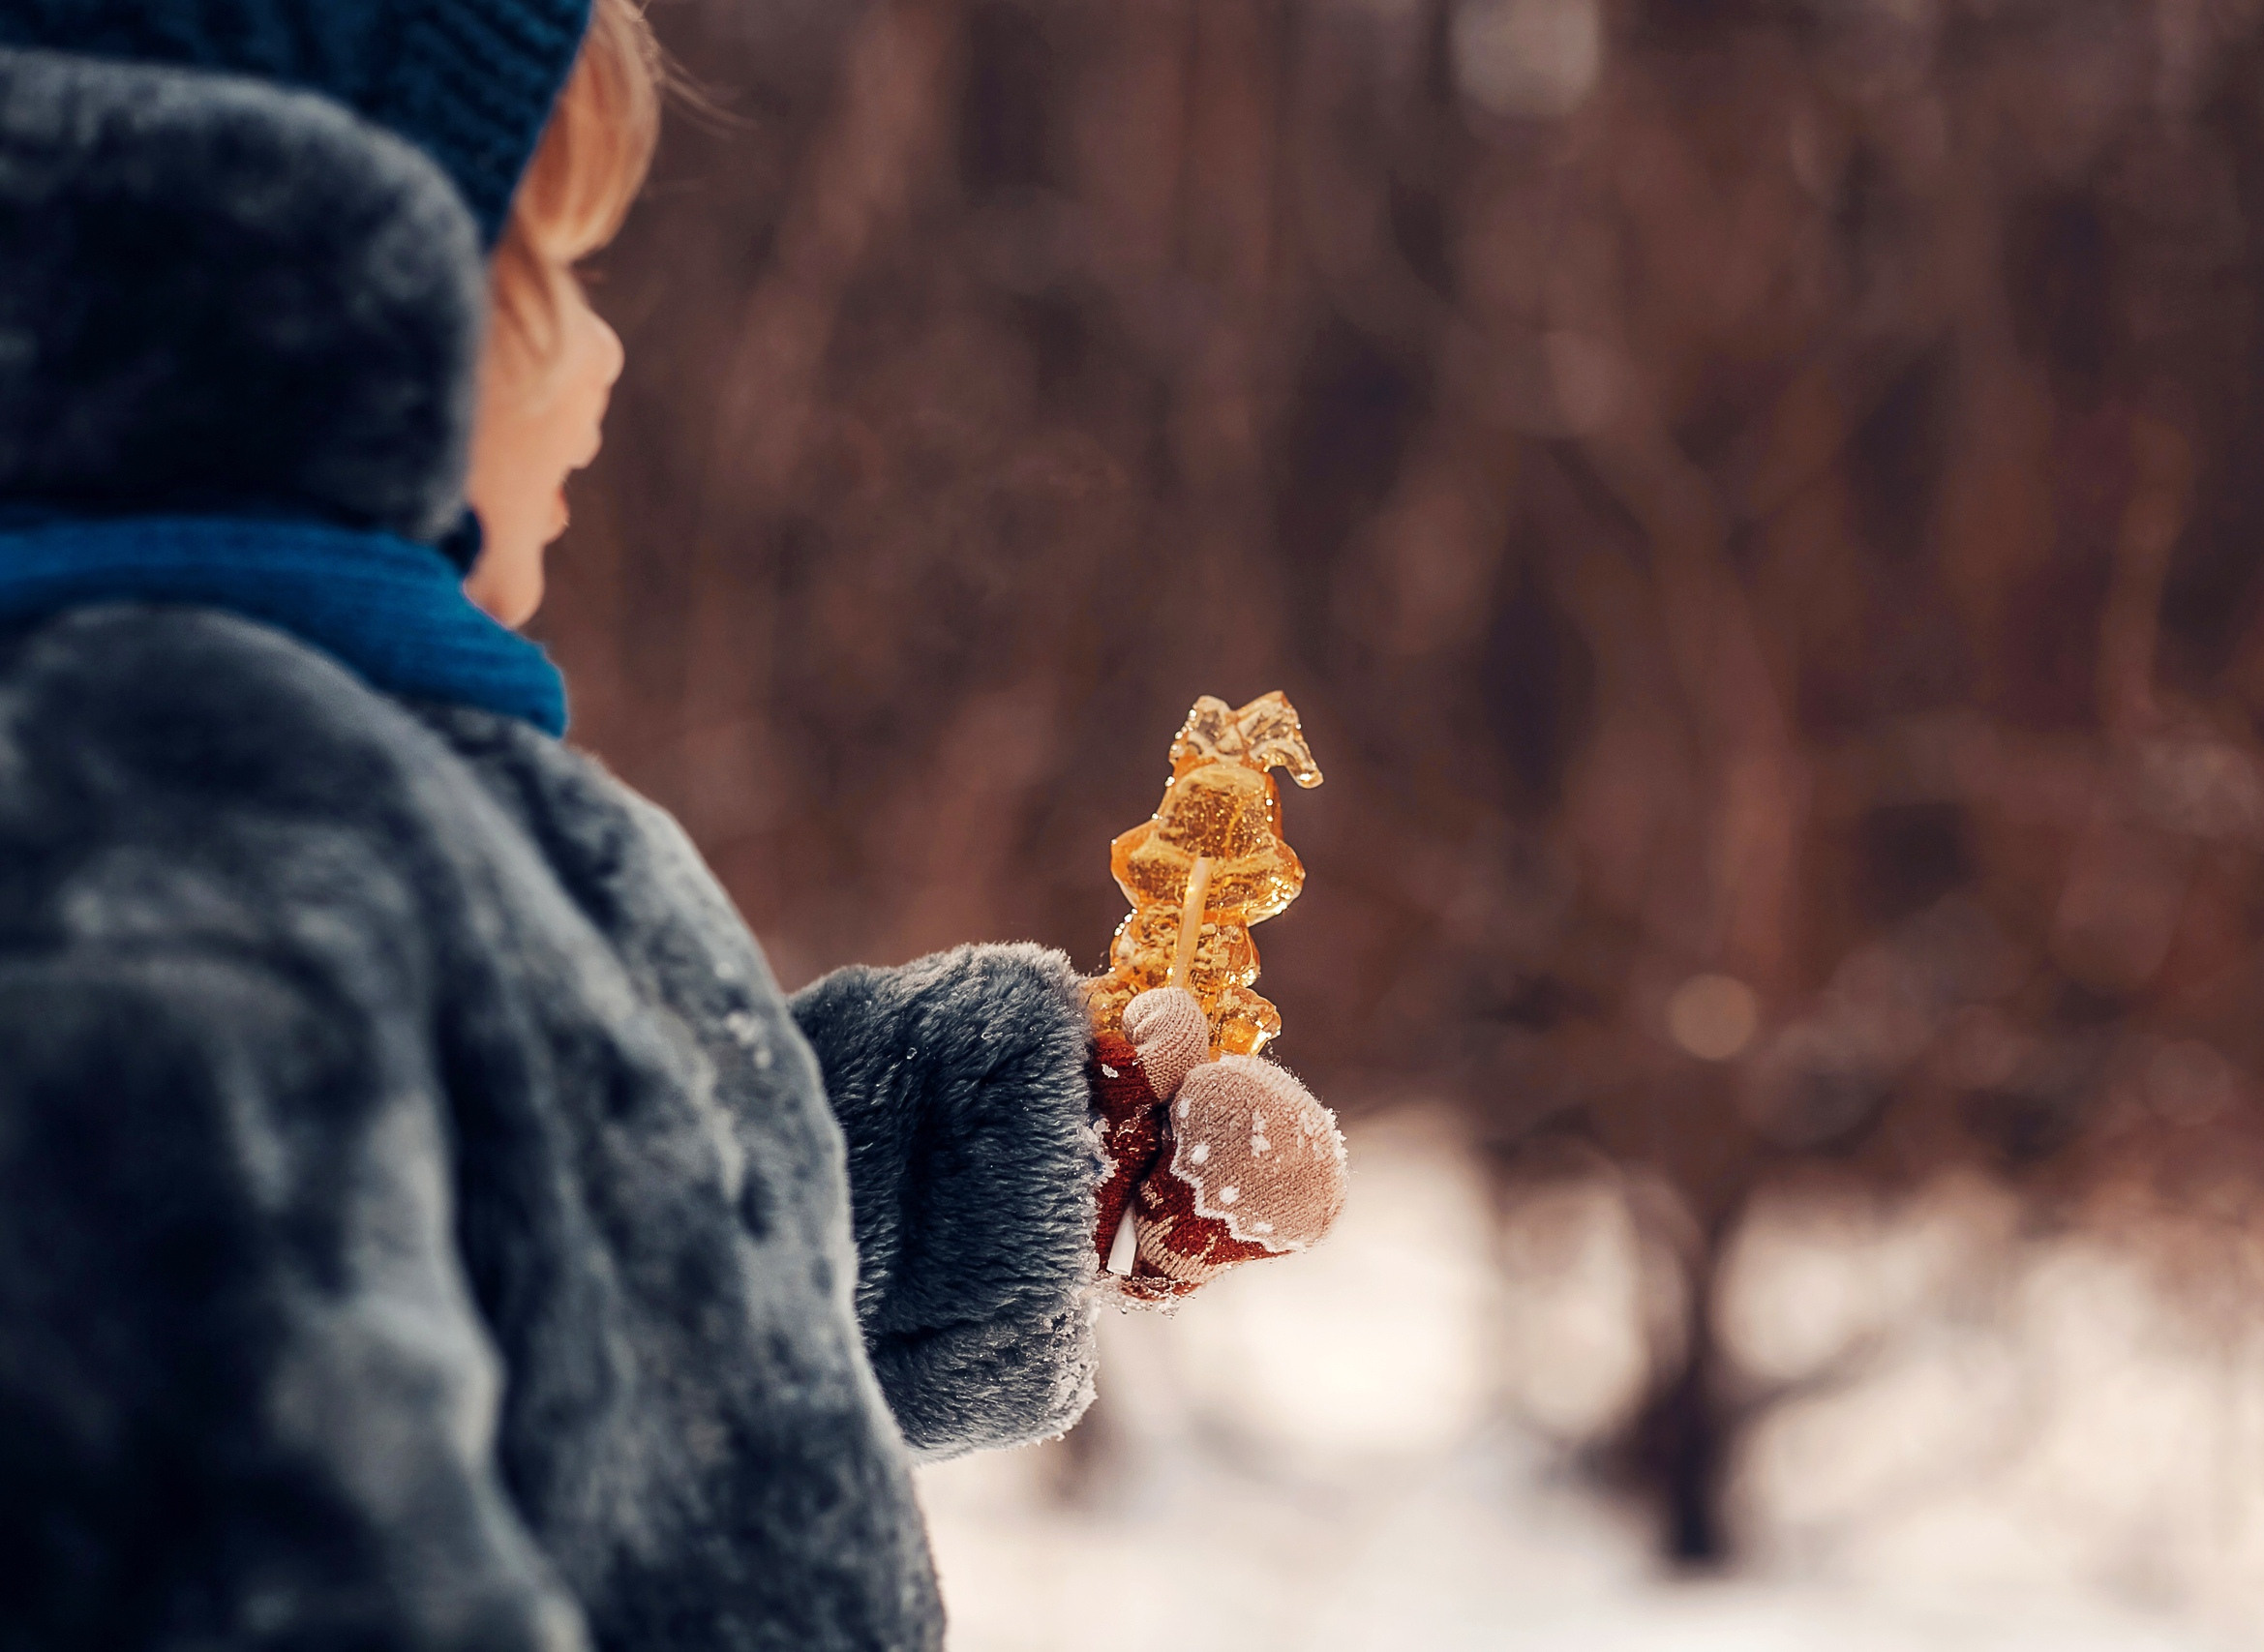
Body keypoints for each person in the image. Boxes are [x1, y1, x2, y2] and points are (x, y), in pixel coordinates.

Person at [0, 3, 1344, 1648]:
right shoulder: (161, 835)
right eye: (555, 280)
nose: (608, 355)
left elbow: (540, 1272)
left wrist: (980, 1157)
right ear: (293, 313)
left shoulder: (293, 812)